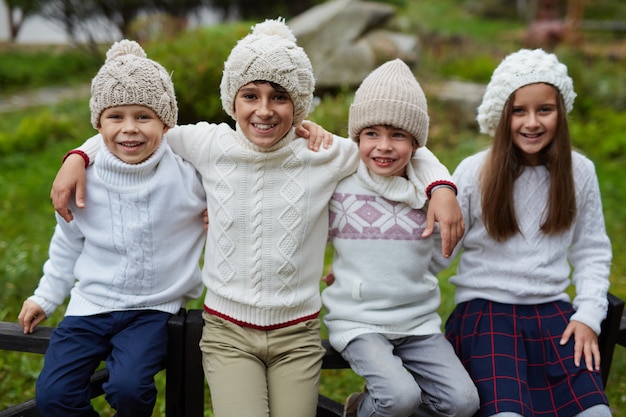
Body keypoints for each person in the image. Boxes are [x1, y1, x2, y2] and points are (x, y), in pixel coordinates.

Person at [50, 19, 463, 417]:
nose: (264, 111)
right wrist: (79, 155)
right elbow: (134, 127)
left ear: (298, 104)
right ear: (233, 99)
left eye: (279, 97)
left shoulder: (326, 154)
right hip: (228, 333)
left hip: (296, 335)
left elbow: (401, 143)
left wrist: (440, 187)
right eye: (250, 95)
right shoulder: (208, 143)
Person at [17, 40, 207, 417]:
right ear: (98, 123)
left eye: (143, 116)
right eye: (115, 117)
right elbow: (67, 243)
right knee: (53, 396)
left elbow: (237, 168)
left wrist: (221, 210)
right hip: (90, 304)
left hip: (153, 308)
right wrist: (45, 296)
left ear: (166, 122)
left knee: (130, 389)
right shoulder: (81, 179)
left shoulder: (188, 174)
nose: (129, 129)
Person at [431, 48, 613, 416]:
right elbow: (436, 252)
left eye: (544, 109)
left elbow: (592, 250)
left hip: (554, 316)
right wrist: (374, 268)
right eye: (519, 111)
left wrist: (588, 315)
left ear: (561, 112)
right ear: (502, 116)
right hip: (485, 315)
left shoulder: (581, 171)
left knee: (595, 413)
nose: (532, 122)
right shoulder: (474, 172)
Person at [321, 59, 479, 417]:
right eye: (371, 133)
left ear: (415, 143)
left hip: (417, 321)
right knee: (400, 398)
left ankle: (367, 408)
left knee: (463, 403)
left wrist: (407, 273)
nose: (384, 146)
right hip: (358, 319)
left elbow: (442, 253)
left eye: (398, 135)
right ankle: (363, 409)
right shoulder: (341, 184)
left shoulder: (430, 190)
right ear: (357, 137)